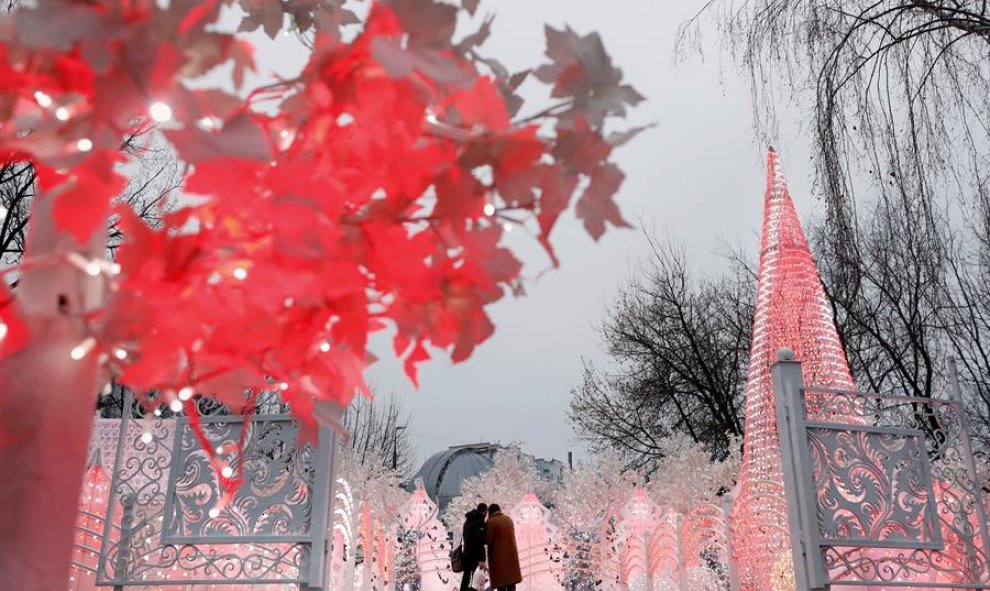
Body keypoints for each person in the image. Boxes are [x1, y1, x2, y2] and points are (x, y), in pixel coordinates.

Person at [483, 503, 522, 591]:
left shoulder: (491, 522)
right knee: (511, 583)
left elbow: (487, 539)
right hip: (511, 556)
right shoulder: (508, 519)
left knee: (501, 584)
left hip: (499, 557)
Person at [460, 502, 488, 591]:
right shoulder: (479, 522)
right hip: (475, 554)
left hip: (467, 552)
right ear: (485, 512)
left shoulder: (468, 520)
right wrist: (482, 559)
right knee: (475, 579)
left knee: (466, 576)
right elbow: (479, 541)